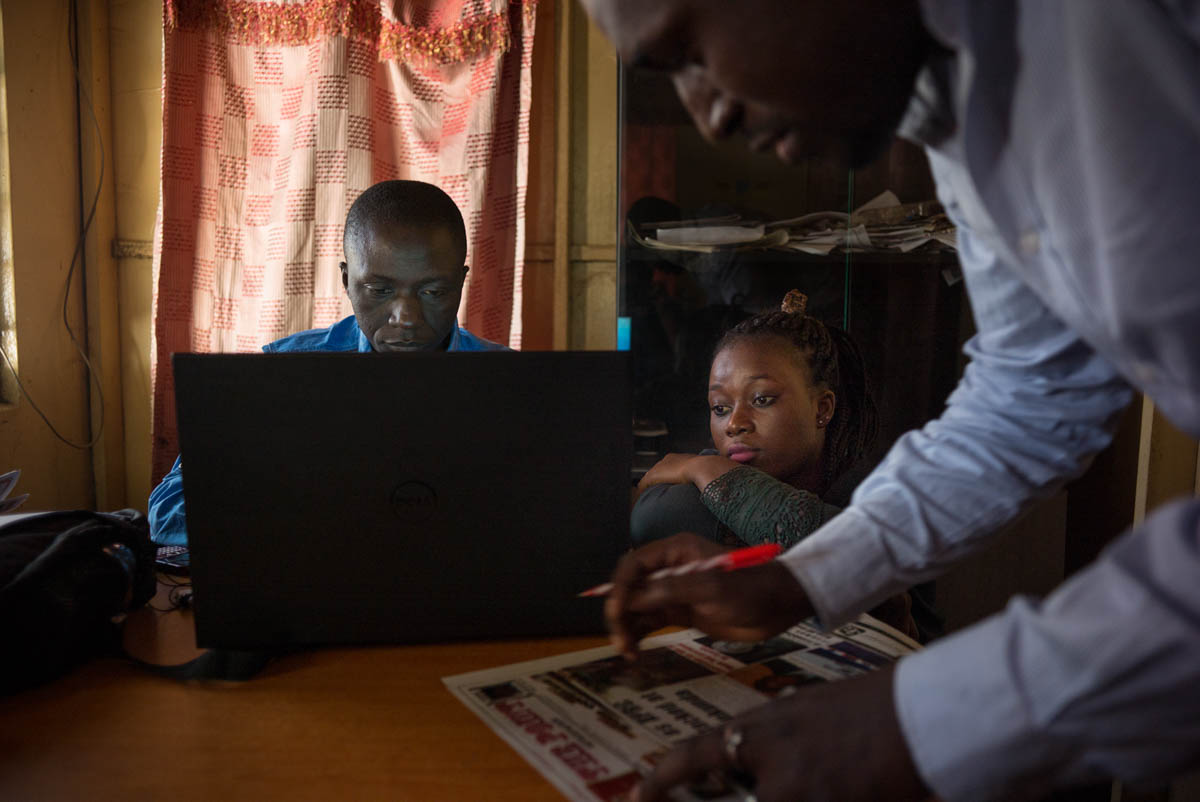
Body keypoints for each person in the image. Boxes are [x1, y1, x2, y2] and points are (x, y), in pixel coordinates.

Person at [578, 1, 1200, 800]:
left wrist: (918, 721)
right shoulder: (954, 102)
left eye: (693, 49)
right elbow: (1030, 393)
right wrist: (800, 580)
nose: (712, 117)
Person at [149, 180, 507, 546]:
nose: (406, 318)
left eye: (433, 291)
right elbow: (168, 511)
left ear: (461, 283)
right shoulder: (280, 375)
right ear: (347, 281)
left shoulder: (511, 384)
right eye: (380, 291)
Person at [630, 290, 937, 641]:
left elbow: (865, 557)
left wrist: (712, 473)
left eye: (762, 399)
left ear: (822, 409)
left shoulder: (878, 498)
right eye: (720, 407)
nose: (734, 424)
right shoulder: (698, 479)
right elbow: (652, 517)